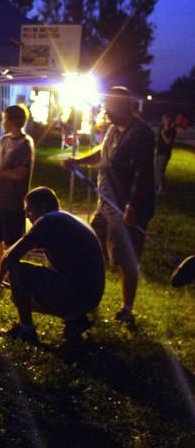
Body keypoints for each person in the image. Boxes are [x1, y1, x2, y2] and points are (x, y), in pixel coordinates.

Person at [63, 86, 155, 325]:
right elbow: (101, 154)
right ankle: (86, 293)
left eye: (109, 107)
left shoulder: (141, 134)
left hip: (127, 207)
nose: (106, 111)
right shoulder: (113, 130)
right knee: (89, 245)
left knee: (126, 257)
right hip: (104, 204)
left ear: (124, 106)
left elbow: (143, 173)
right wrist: (78, 162)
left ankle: (127, 308)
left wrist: (133, 207)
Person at [0, 187, 105, 343]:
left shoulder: (49, 220)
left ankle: (26, 329)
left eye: (29, 211)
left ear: (43, 206)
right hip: (91, 296)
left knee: (17, 270)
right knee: (24, 285)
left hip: (79, 294)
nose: (27, 216)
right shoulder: (65, 218)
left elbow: (11, 255)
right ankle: (75, 320)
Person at [0, 104, 35, 268]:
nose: (2, 122)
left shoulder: (25, 144)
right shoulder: (5, 140)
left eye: (4, 118)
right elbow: (2, 167)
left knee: (11, 241)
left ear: (13, 120)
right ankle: (2, 270)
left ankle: (12, 273)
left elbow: (20, 174)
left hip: (13, 202)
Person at [155, 113, 175, 195]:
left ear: (168, 119)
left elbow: (168, 142)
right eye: (162, 119)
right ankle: (159, 187)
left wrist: (163, 134)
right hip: (159, 151)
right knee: (158, 170)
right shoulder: (161, 128)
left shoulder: (172, 130)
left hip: (165, 153)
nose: (163, 120)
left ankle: (161, 189)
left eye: (165, 119)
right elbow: (158, 139)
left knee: (159, 171)